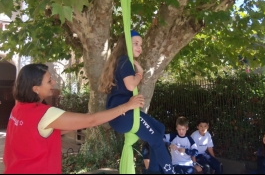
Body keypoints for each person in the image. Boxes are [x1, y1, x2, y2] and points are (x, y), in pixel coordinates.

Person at [3, 63, 145, 174]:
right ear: (36, 89)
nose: (53, 83)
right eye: (49, 81)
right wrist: (126, 106)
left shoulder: (18, 108)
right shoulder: (45, 114)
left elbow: (37, 134)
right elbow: (92, 120)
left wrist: (81, 122)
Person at [98, 30, 174, 174]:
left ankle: (152, 170)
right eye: (136, 44)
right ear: (126, 45)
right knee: (157, 140)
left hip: (122, 115)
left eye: (141, 44)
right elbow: (131, 85)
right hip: (124, 115)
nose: (140, 47)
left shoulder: (121, 61)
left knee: (160, 128)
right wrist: (139, 73)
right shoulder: (125, 60)